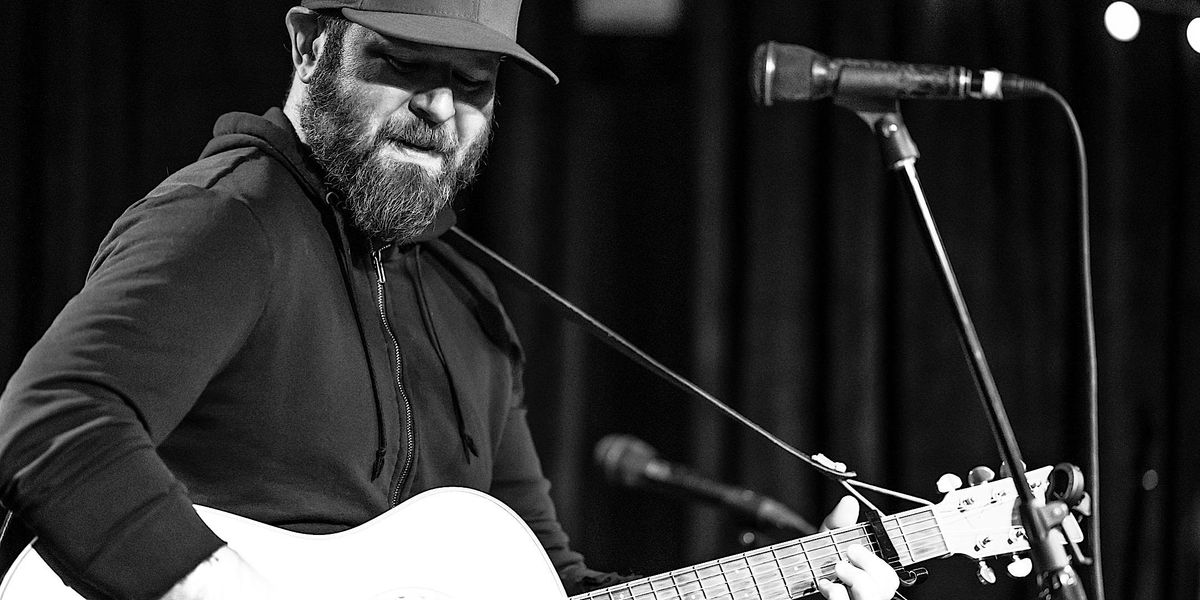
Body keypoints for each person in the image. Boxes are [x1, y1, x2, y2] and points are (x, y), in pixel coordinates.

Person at [0, 2, 901, 599]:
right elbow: (56, 418)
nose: (439, 106)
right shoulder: (234, 220)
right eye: (402, 64)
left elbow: (548, 585)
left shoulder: (472, 310)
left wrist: (796, 585)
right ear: (309, 45)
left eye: (473, 84)